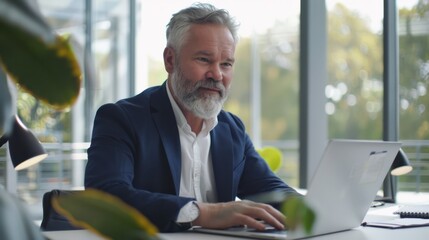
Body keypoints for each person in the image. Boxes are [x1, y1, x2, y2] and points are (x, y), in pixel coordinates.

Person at [85, 3, 299, 233]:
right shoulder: (122, 119)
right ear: (170, 60)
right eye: (204, 60)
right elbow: (104, 196)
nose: (216, 74)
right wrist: (202, 213)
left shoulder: (232, 128)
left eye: (226, 64)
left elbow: (271, 191)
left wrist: (319, 211)